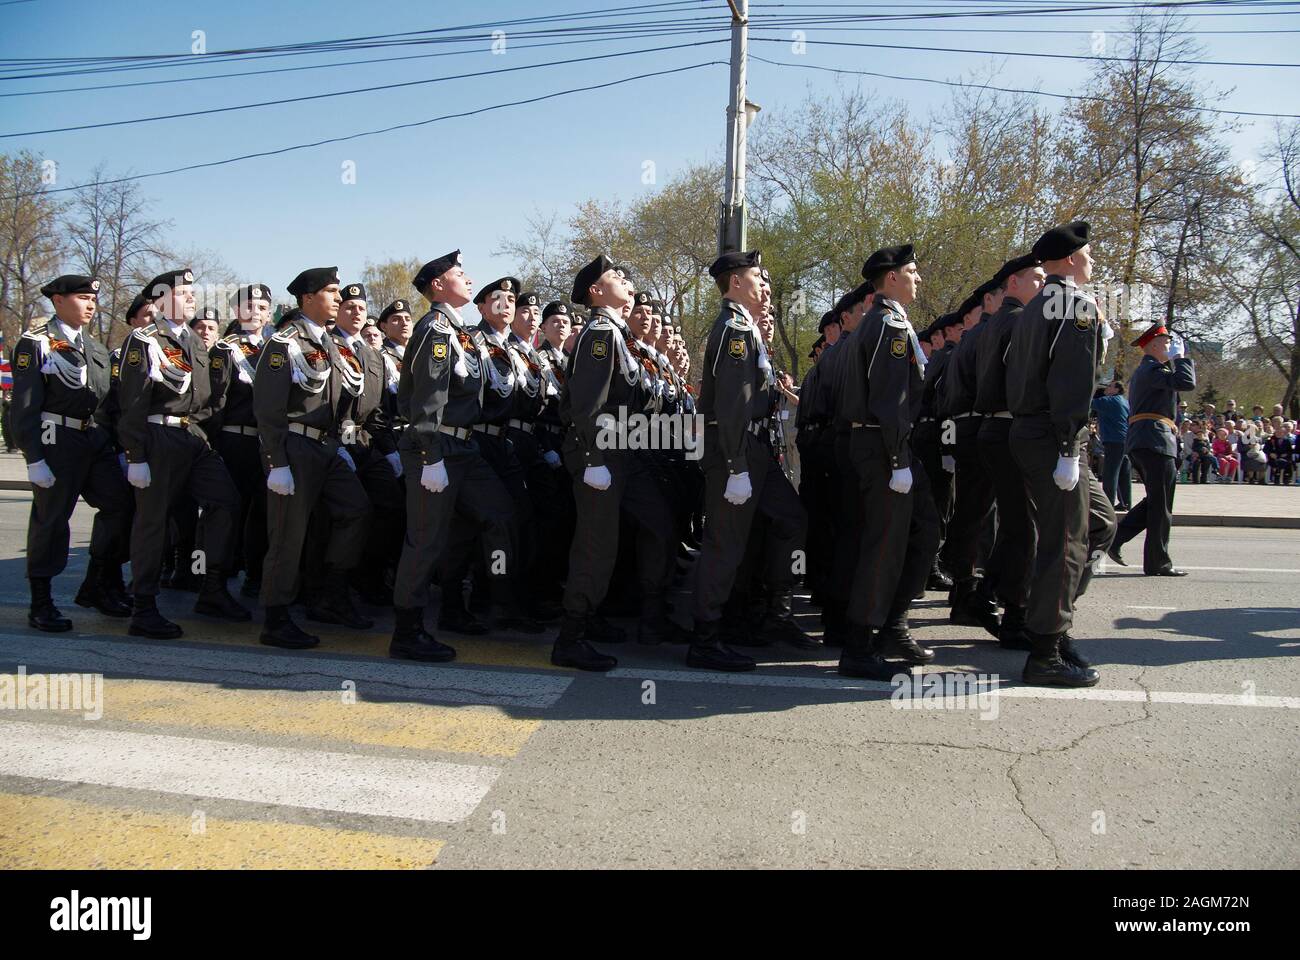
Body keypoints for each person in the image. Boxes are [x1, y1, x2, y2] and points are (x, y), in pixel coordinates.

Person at [1005, 221, 1116, 687]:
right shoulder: (1075, 306)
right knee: (1065, 540)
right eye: (1088, 254)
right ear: (1071, 260)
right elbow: (1071, 384)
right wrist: (1070, 447)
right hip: (1055, 437)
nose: (1092, 262)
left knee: (1100, 523)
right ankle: (1045, 650)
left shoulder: (1035, 307)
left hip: (1035, 432)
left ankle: (1054, 620)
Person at [555, 254, 679, 669]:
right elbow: (588, 401)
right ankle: (571, 636)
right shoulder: (599, 333)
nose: (625, 280)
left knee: (658, 525)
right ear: (595, 291)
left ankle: (648, 616)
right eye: (615, 276)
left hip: (627, 449)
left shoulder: (618, 335)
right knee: (596, 544)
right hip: (601, 451)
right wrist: (593, 457)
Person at [389, 251, 513, 663]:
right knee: (424, 539)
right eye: (460, 273)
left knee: (495, 515)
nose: (468, 277)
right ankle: (407, 630)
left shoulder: (460, 332)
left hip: (465, 447)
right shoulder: (436, 329)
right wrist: (429, 455)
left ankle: (462, 605)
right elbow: (427, 395)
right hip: (437, 446)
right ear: (438, 285)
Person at [692, 250, 810, 671]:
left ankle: (767, 612)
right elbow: (732, 404)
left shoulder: (747, 330)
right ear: (736, 283)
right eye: (758, 278)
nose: (766, 285)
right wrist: (737, 466)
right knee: (724, 544)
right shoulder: (733, 328)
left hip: (754, 449)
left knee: (790, 520)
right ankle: (705, 637)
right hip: (734, 451)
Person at [118, 267, 247, 637]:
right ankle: (143, 607)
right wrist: (135, 456)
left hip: (193, 437)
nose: (192, 297)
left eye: (193, 291)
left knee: (225, 502)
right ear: (161, 299)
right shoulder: (145, 341)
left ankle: (211, 586)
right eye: (183, 291)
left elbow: (206, 399)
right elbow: (131, 405)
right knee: (152, 522)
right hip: (157, 437)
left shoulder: (193, 342)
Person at [253, 267, 373, 649]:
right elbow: (268, 409)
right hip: (295, 446)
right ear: (307, 298)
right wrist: (277, 462)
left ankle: (330, 593)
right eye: (331, 292)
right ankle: (276, 617)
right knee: (288, 535)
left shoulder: (331, 344)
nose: (338, 299)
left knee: (357, 509)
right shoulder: (285, 342)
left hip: (327, 447)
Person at [835, 244, 940, 678]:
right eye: (912, 271)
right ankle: (859, 645)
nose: (918, 278)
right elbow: (890, 398)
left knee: (923, 531)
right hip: (884, 446)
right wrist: (897, 458)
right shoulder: (887, 325)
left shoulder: (888, 321)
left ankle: (891, 622)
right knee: (885, 544)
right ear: (892, 277)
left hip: (889, 445)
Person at [12, 275, 133, 631]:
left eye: (93, 298)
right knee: (51, 520)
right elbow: (23, 407)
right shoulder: (37, 344)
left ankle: (95, 583)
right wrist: (33, 458)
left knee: (121, 505)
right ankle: (41, 601)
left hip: (94, 440)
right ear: (59, 301)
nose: (91, 304)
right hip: (56, 440)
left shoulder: (95, 348)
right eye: (83, 297)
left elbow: (106, 404)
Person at [973, 253, 1046, 650]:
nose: (1042, 285)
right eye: (1035, 278)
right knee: (1024, 529)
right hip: (1008, 427)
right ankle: (1016, 614)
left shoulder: (995, 323)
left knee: (1017, 523)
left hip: (994, 428)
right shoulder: (1018, 321)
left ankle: (988, 594)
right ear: (1013, 283)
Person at [1108, 322, 1195, 576]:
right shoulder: (1152, 368)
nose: (1170, 346)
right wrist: (1180, 358)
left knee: (1157, 501)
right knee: (1161, 504)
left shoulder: (1151, 369)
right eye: (1167, 342)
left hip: (1150, 440)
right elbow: (1185, 382)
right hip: (1154, 440)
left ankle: (1115, 539)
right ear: (1155, 345)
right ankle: (1158, 562)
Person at [207, 283, 273, 598]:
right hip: (233, 442)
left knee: (261, 514)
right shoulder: (225, 349)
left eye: (262, 308)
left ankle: (255, 576)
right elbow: (215, 403)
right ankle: (211, 583)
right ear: (237, 312)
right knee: (225, 514)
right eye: (249, 307)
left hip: (264, 445)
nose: (255, 313)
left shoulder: (277, 347)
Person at [1090, 380, 1131, 509]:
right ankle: (1126, 502)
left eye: (1110, 386)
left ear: (1117, 389)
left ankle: (1108, 504)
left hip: (1114, 440)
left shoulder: (1110, 401)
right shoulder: (1124, 401)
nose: (1106, 388)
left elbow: (1090, 403)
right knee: (1124, 473)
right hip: (1125, 440)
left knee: (1110, 473)